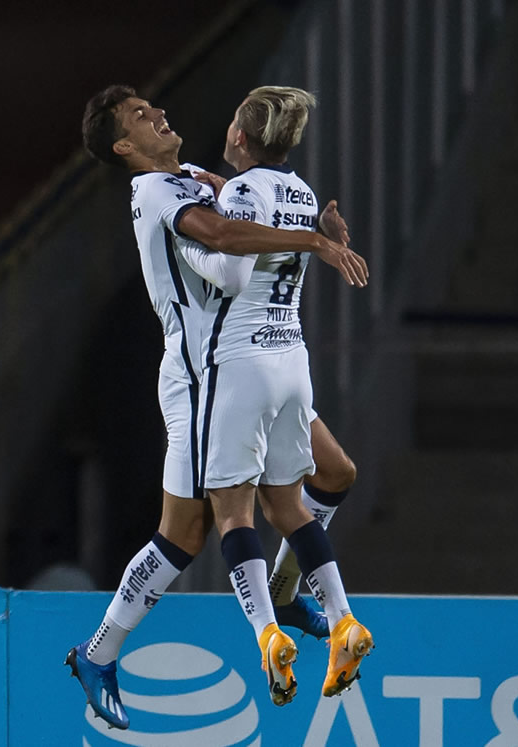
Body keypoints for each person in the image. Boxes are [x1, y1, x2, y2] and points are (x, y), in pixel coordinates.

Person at [64, 84, 368, 730]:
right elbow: (227, 239)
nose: (158, 112)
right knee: (189, 531)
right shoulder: (154, 193)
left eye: (152, 105)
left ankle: (283, 599)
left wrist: (313, 228)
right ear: (125, 147)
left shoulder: (194, 179)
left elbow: (242, 218)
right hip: (202, 375)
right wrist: (312, 243)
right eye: (141, 117)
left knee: (331, 472)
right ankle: (99, 653)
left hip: (246, 360)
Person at [195, 85, 374, 709]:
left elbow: (232, 265)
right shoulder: (297, 191)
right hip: (291, 359)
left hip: (242, 363)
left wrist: (192, 246)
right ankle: (344, 619)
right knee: (289, 506)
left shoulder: (242, 193)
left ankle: (267, 630)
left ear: (241, 137)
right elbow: (253, 209)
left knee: (232, 513)